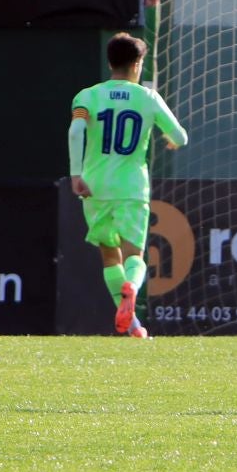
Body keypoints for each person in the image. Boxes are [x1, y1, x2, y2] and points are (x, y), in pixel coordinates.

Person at [69, 33, 189, 340]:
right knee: (134, 255)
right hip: (132, 187)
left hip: (95, 186)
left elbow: (75, 132)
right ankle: (132, 289)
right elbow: (180, 136)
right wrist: (170, 140)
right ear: (137, 64)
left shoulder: (88, 96)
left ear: (110, 62)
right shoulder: (147, 98)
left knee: (110, 255)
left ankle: (134, 327)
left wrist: (75, 174)